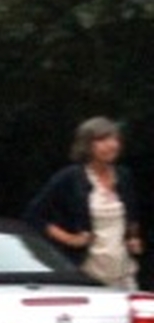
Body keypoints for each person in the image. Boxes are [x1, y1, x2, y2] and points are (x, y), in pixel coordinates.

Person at [24, 116, 144, 288]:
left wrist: (133, 237)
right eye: (102, 140)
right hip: (86, 272)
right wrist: (69, 239)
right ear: (87, 145)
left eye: (115, 139)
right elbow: (34, 215)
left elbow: (131, 215)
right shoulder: (70, 177)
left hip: (123, 271)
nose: (112, 145)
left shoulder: (124, 176)